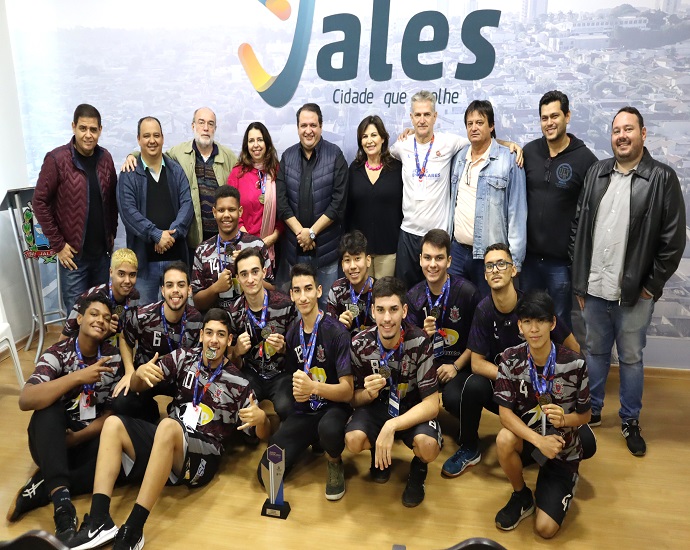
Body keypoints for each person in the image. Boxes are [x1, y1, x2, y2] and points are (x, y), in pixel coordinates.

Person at [65, 308, 270, 550]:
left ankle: (134, 529)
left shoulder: (241, 383)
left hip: (202, 455)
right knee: (113, 424)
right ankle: (99, 522)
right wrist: (138, 375)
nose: (214, 340)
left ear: (229, 341)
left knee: (168, 425)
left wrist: (262, 419)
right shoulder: (184, 356)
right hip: (168, 441)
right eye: (210, 333)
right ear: (201, 335)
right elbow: (142, 383)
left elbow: (261, 434)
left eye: (221, 335)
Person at [571, 106, 686, 456]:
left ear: (643, 134)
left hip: (635, 294)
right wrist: (580, 282)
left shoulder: (662, 178)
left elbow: (673, 241)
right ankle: (591, 410)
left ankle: (630, 419)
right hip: (593, 289)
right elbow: (579, 227)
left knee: (632, 358)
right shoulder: (597, 173)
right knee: (594, 352)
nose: (622, 135)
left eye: (629, 129)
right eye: (617, 130)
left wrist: (650, 286)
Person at [443, 243, 583, 478]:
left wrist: (564, 392)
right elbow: (476, 364)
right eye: (489, 266)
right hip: (507, 384)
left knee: (583, 443)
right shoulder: (483, 309)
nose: (495, 270)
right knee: (471, 386)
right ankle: (469, 448)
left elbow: (574, 349)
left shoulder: (533, 307)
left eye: (501, 264)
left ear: (514, 270)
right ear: (485, 275)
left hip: (540, 389)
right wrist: (513, 378)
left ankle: (541, 443)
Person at [6, 295, 121, 543]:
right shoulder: (58, 352)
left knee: (121, 457)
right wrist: (78, 377)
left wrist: (78, 438)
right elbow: (26, 399)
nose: (100, 320)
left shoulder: (114, 358)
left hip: (86, 440)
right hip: (52, 441)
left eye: (106, 317)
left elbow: (112, 414)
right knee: (47, 409)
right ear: (79, 319)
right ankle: (63, 508)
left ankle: (43, 487)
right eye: (94, 314)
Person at [493, 290, 591, 538]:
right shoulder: (509, 359)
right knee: (504, 439)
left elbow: (586, 415)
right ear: (520, 326)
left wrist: (566, 420)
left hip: (561, 448)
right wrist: (538, 441)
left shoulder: (575, 364)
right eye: (527, 321)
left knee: (545, 529)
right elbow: (505, 415)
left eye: (540, 321)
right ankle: (522, 495)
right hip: (531, 441)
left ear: (553, 323)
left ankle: (568, 475)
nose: (534, 329)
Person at [258, 263, 353, 501]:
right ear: (291, 295)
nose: (303, 297)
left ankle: (334, 462)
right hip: (306, 411)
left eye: (308, 289)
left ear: (319, 291)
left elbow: (348, 392)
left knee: (329, 429)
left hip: (334, 407)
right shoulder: (292, 333)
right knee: (267, 473)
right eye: (297, 290)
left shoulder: (337, 332)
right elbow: (294, 376)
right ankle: (307, 444)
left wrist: (314, 388)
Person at [345, 277, 441, 507]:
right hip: (377, 406)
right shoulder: (359, 344)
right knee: (353, 441)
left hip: (410, 407)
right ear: (372, 312)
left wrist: (392, 426)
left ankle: (418, 469)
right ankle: (379, 457)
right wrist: (366, 394)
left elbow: (432, 404)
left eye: (393, 309)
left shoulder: (419, 341)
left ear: (404, 311)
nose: (387, 318)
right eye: (381, 310)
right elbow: (351, 399)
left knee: (428, 447)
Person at [405, 229, 480, 475]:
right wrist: (423, 338)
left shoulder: (467, 292)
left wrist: (456, 366)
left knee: (455, 396)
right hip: (427, 367)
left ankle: (467, 436)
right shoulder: (414, 297)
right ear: (420, 260)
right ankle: (428, 429)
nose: (432, 264)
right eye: (427, 258)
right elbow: (409, 350)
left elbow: (477, 342)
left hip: (457, 364)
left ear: (449, 261)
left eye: (439, 258)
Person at [521, 91, 598, 328]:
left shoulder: (586, 160)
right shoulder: (530, 151)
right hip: (529, 261)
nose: (549, 123)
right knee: (527, 321)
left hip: (561, 264)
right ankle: (530, 366)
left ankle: (560, 365)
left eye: (555, 116)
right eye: (544, 118)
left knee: (560, 323)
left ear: (567, 116)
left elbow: (591, 215)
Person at [32, 104, 118, 313]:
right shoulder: (56, 159)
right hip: (73, 258)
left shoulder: (105, 158)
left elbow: (112, 200)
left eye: (93, 129)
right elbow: (39, 202)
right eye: (83, 128)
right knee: (76, 317)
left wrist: (112, 233)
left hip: (101, 254)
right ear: (73, 127)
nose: (88, 135)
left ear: (100, 130)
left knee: (101, 314)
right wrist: (59, 245)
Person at [122, 107, 238, 252]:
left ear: (215, 128)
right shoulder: (178, 153)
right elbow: (154, 154)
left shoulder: (229, 157)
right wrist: (132, 155)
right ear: (193, 126)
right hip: (192, 242)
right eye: (201, 123)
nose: (206, 128)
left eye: (210, 124)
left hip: (222, 239)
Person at [449, 100, 527, 296]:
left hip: (491, 256)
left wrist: (515, 261)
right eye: (469, 123)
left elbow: (517, 213)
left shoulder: (509, 160)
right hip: (457, 253)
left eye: (480, 122)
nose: (474, 128)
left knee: (490, 310)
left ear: (491, 126)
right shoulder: (459, 158)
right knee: (457, 313)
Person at [275, 103, 348, 308]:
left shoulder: (335, 156)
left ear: (321, 126)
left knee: (327, 303)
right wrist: (302, 234)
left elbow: (338, 203)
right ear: (297, 128)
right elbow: (282, 202)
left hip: (326, 250)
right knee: (299, 304)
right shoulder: (287, 157)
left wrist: (312, 233)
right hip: (295, 249)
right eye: (303, 125)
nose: (308, 130)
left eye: (313, 125)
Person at [117, 116, 194, 304]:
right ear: (138, 139)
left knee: (178, 317)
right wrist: (156, 234)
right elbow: (128, 212)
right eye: (146, 136)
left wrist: (171, 235)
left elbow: (187, 204)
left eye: (156, 135)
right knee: (144, 319)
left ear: (163, 138)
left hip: (176, 261)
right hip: (144, 265)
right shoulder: (129, 174)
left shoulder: (175, 170)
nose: (152, 140)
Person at [117, 261, 203, 422]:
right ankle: (149, 411)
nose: (175, 290)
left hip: (179, 380)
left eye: (181, 285)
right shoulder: (143, 316)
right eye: (169, 285)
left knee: (196, 410)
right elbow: (124, 338)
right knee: (122, 401)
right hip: (147, 376)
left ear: (189, 290)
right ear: (163, 290)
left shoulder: (197, 320)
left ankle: (175, 413)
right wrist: (130, 372)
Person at [228, 247, 297, 421]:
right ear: (238, 279)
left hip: (281, 373)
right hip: (251, 373)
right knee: (242, 413)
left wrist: (284, 349)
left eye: (255, 272)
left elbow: (301, 352)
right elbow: (229, 361)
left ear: (264, 272)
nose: (250, 279)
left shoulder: (285, 305)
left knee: (286, 407)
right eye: (244, 274)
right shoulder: (233, 312)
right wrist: (236, 351)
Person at [191, 185, 273, 312]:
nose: (226, 215)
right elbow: (197, 303)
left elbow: (273, 291)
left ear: (240, 211)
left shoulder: (256, 245)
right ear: (214, 212)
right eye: (221, 210)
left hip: (249, 320)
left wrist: (246, 270)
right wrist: (216, 288)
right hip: (216, 323)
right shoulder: (203, 250)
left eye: (231, 209)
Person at [346, 115, 403, 278]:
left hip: (388, 249)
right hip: (359, 252)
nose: (369, 141)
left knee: (384, 296)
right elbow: (348, 210)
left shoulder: (396, 168)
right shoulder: (354, 169)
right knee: (362, 299)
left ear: (383, 138)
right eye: (364, 137)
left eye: (373, 135)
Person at [227, 122, 283, 269]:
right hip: (243, 246)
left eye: (260, 140)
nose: (255, 145)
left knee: (269, 290)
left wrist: (274, 237)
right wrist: (248, 240)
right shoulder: (237, 173)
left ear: (267, 143)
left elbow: (284, 208)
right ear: (246, 146)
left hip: (273, 245)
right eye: (251, 141)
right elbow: (229, 208)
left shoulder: (278, 171)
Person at [60, 248, 140, 347]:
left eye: (132, 275)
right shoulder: (91, 297)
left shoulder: (134, 296)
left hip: (117, 350)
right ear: (111, 272)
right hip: (88, 350)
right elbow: (65, 336)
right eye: (121, 274)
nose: (127, 281)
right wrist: (105, 330)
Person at [326, 231, 376, 336]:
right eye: (347, 260)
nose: (352, 266)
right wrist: (337, 325)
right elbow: (327, 333)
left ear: (368, 261)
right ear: (342, 265)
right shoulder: (337, 290)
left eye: (357, 259)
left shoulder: (381, 291)